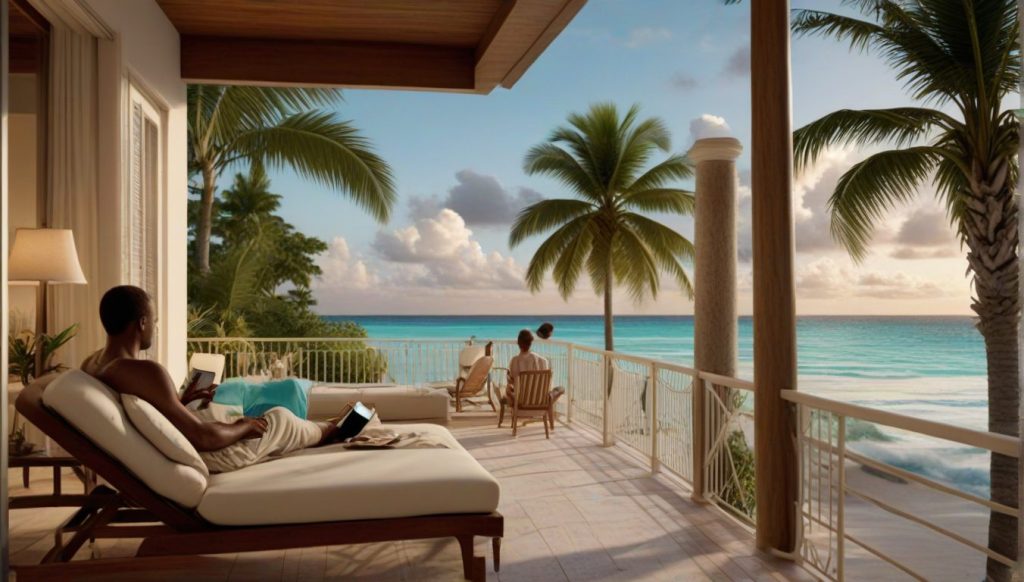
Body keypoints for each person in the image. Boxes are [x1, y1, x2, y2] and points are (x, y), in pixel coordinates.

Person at [81, 285, 344, 473]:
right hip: (210, 456)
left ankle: (328, 428)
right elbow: (203, 439)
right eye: (154, 321)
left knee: (243, 418)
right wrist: (243, 426)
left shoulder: (93, 364)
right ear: (141, 323)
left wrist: (181, 401)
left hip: (183, 445)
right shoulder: (145, 371)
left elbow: (157, 414)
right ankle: (333, 430)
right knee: (280, 418)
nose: (155, 328)